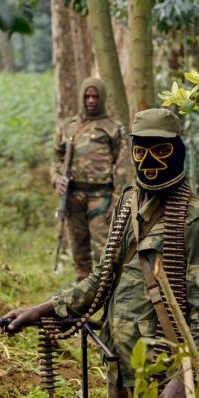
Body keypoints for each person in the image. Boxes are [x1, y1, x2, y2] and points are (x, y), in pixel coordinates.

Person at [3, 108, 199, 398]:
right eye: (141, 150)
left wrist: (185, 379)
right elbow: (102, 277)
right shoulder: (128, 202)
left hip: (166, 374)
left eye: (160, 150)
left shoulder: (196, 218)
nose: (149, 161)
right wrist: (45, 308)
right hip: (121, 368)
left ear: (178, 150)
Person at [51, 77, 125, 280]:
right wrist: (56, 178)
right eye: (87, 96)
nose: (91, 100)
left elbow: (122, 165)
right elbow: (56, 158)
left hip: (101, 196)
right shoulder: (68, 126)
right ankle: (82, 290)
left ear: (101, 98)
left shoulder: (113, 127)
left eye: (95, 96)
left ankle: (108, 290)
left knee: (106, 248)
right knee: (78, 247)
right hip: (73, 194)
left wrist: (118, 199)